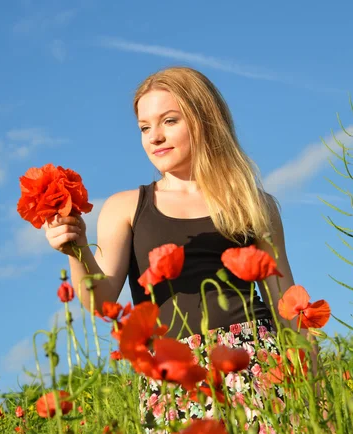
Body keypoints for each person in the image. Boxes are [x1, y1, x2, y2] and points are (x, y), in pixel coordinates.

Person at [45, 66, 314, 431]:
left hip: (255, 363)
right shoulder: (126, 207)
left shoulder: (253, 203)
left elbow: (286, 305)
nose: (154, 137)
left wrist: (315, 389)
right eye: (144, 127)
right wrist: (77, 249)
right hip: (172, 376)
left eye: (169, 121)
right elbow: (101, 298)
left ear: (203, 120)